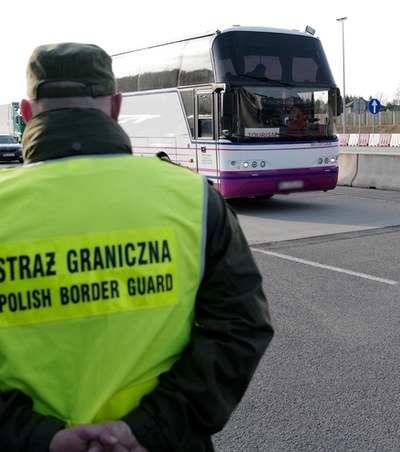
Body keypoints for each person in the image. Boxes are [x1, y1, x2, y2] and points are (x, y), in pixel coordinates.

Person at [0, 42, 274, 450]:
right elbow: (241, 328)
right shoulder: (193, 199)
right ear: (116, 107)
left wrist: (41, 439)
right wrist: (146, 428)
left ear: (26, 112)